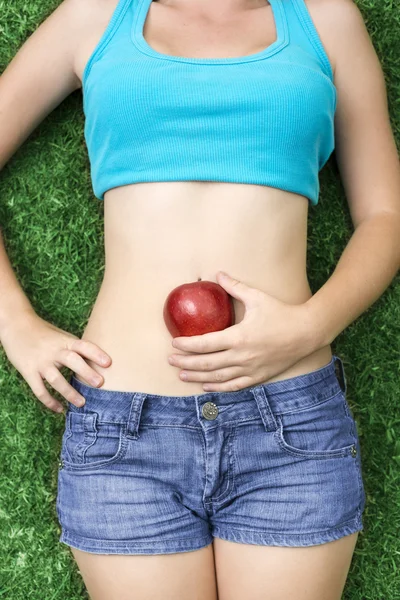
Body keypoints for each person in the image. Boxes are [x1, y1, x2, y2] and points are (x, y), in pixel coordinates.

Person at [0, 0, 399, 597]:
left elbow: (386, 215)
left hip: (287, 422)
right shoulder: (96, 15)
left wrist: (311, 326)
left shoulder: (324, 17)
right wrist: (15, 323)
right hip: (124, 432)